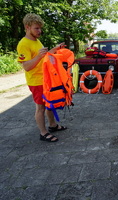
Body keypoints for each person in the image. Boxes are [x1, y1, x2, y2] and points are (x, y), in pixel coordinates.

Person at [17, 13, 67, 142]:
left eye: (40, 28)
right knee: (40, 107)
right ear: (27, 27)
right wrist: (38, 56)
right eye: (36, 28)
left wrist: (55, 49)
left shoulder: (36, 40)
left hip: (45, 79)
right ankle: (43, 133)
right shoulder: (23, 44)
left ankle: (53, 125)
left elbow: (44, 57)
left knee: (50, 104)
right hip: (36, 81)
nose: (40, 31)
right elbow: (26, 66)